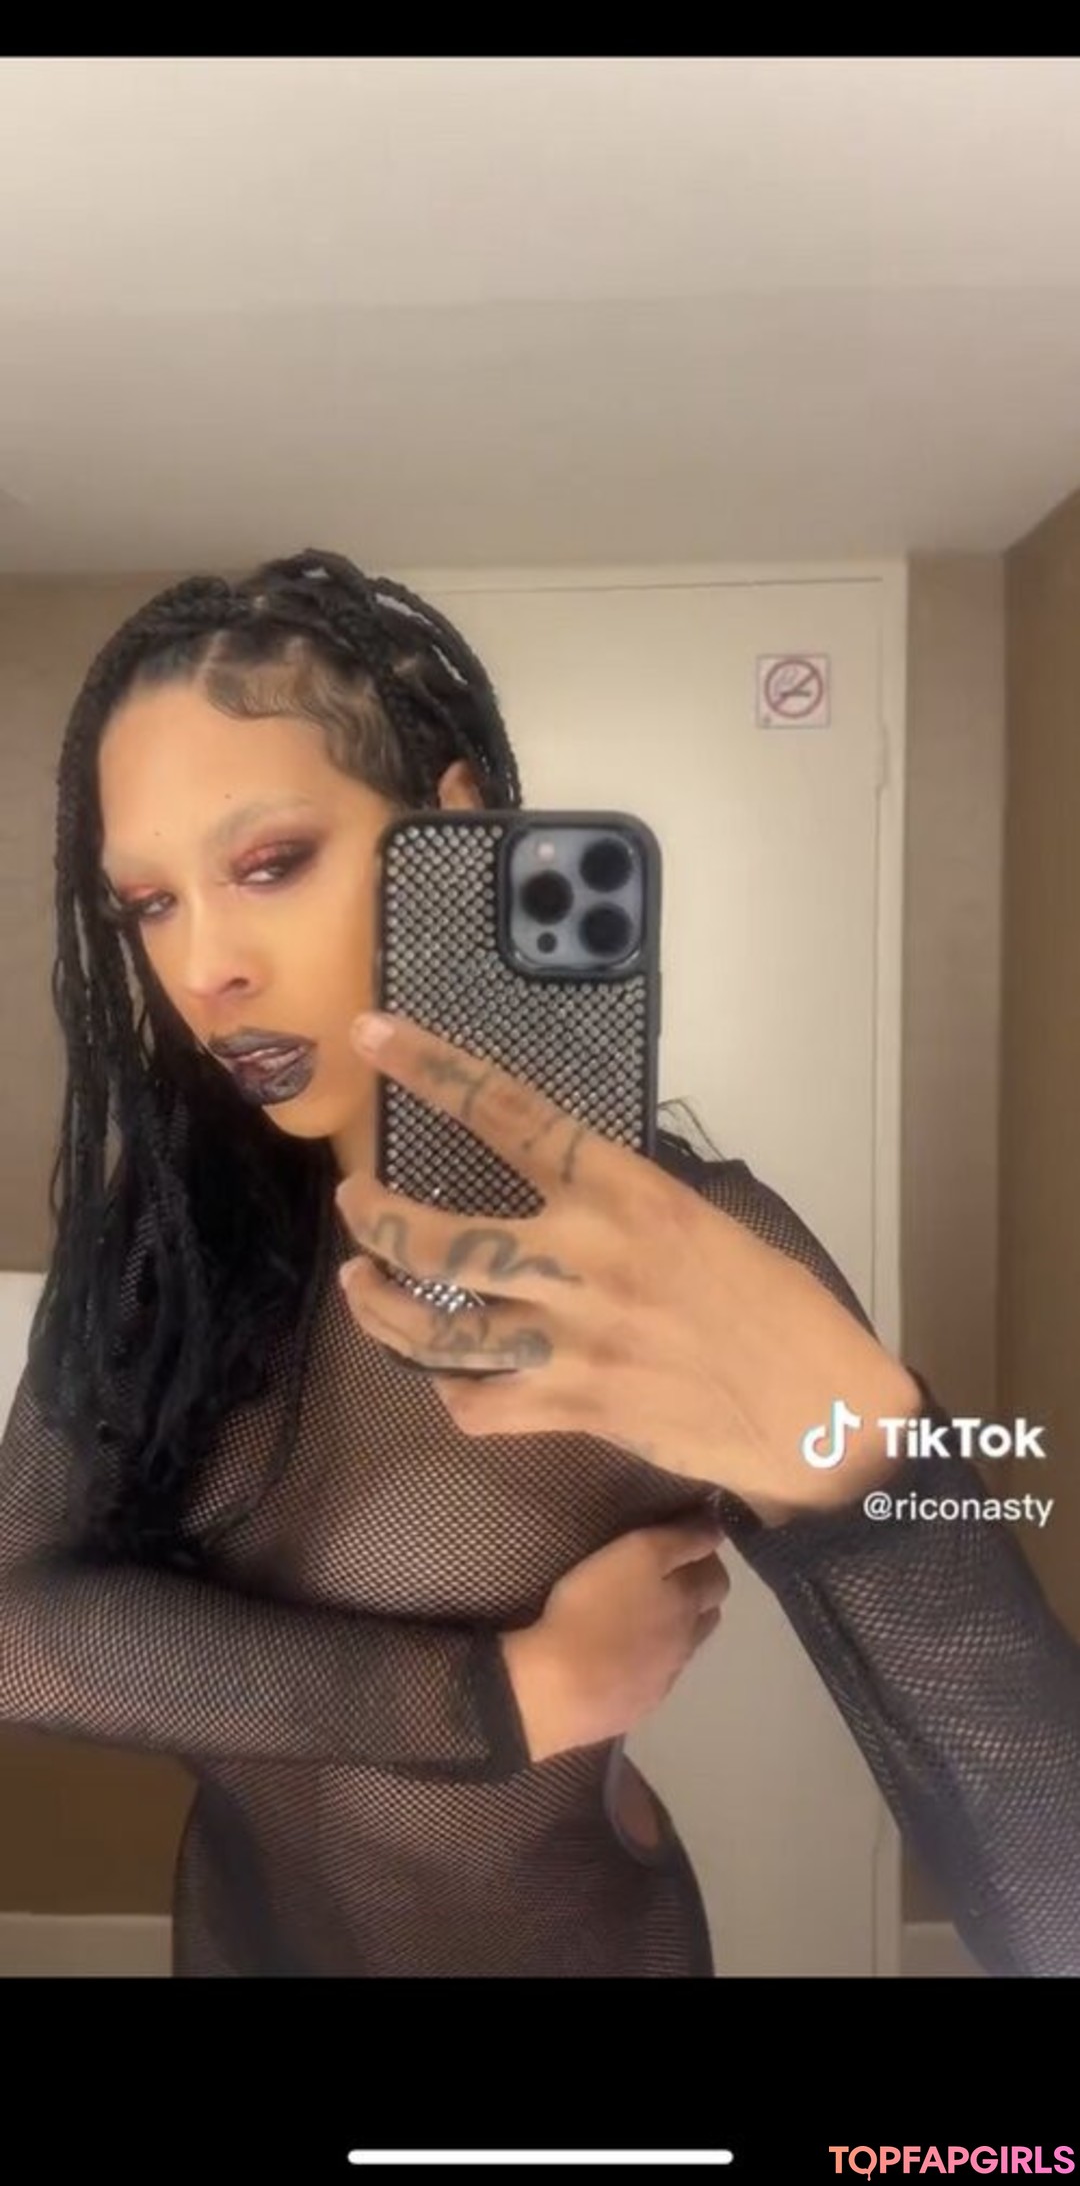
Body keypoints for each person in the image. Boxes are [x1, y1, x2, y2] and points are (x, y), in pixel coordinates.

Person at [1, 550, 1077, 1978]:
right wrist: (498, 1696)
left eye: (270, 865)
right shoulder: (172, 1237)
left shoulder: (668, 1255)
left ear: (455, 825)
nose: (206, 968)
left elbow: (1055, 1890)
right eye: (150, 903)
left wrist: (882, 1470)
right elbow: (15, 1631)